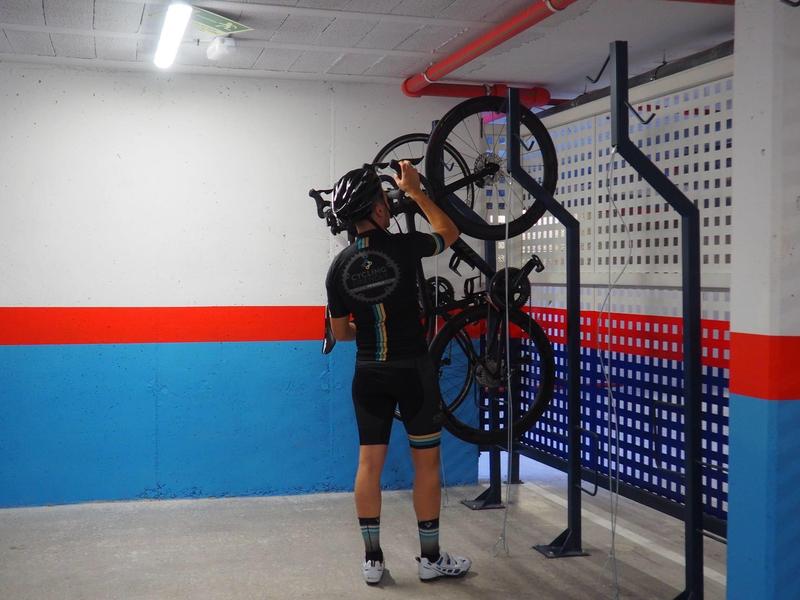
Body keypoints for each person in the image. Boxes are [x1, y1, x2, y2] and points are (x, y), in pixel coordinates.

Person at [325, 161, 472, 585]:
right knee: (426, 464)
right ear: (373, 211)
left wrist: (369, 325)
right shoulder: (404, 248)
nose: (387, 206)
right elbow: (449, 233)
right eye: (382, 201)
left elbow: (341, 332)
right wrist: (418, 193)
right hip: (414, 372)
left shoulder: (337, 268)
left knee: (369, 463)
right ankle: (429, 559)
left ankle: (372, 560)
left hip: (369, 373)